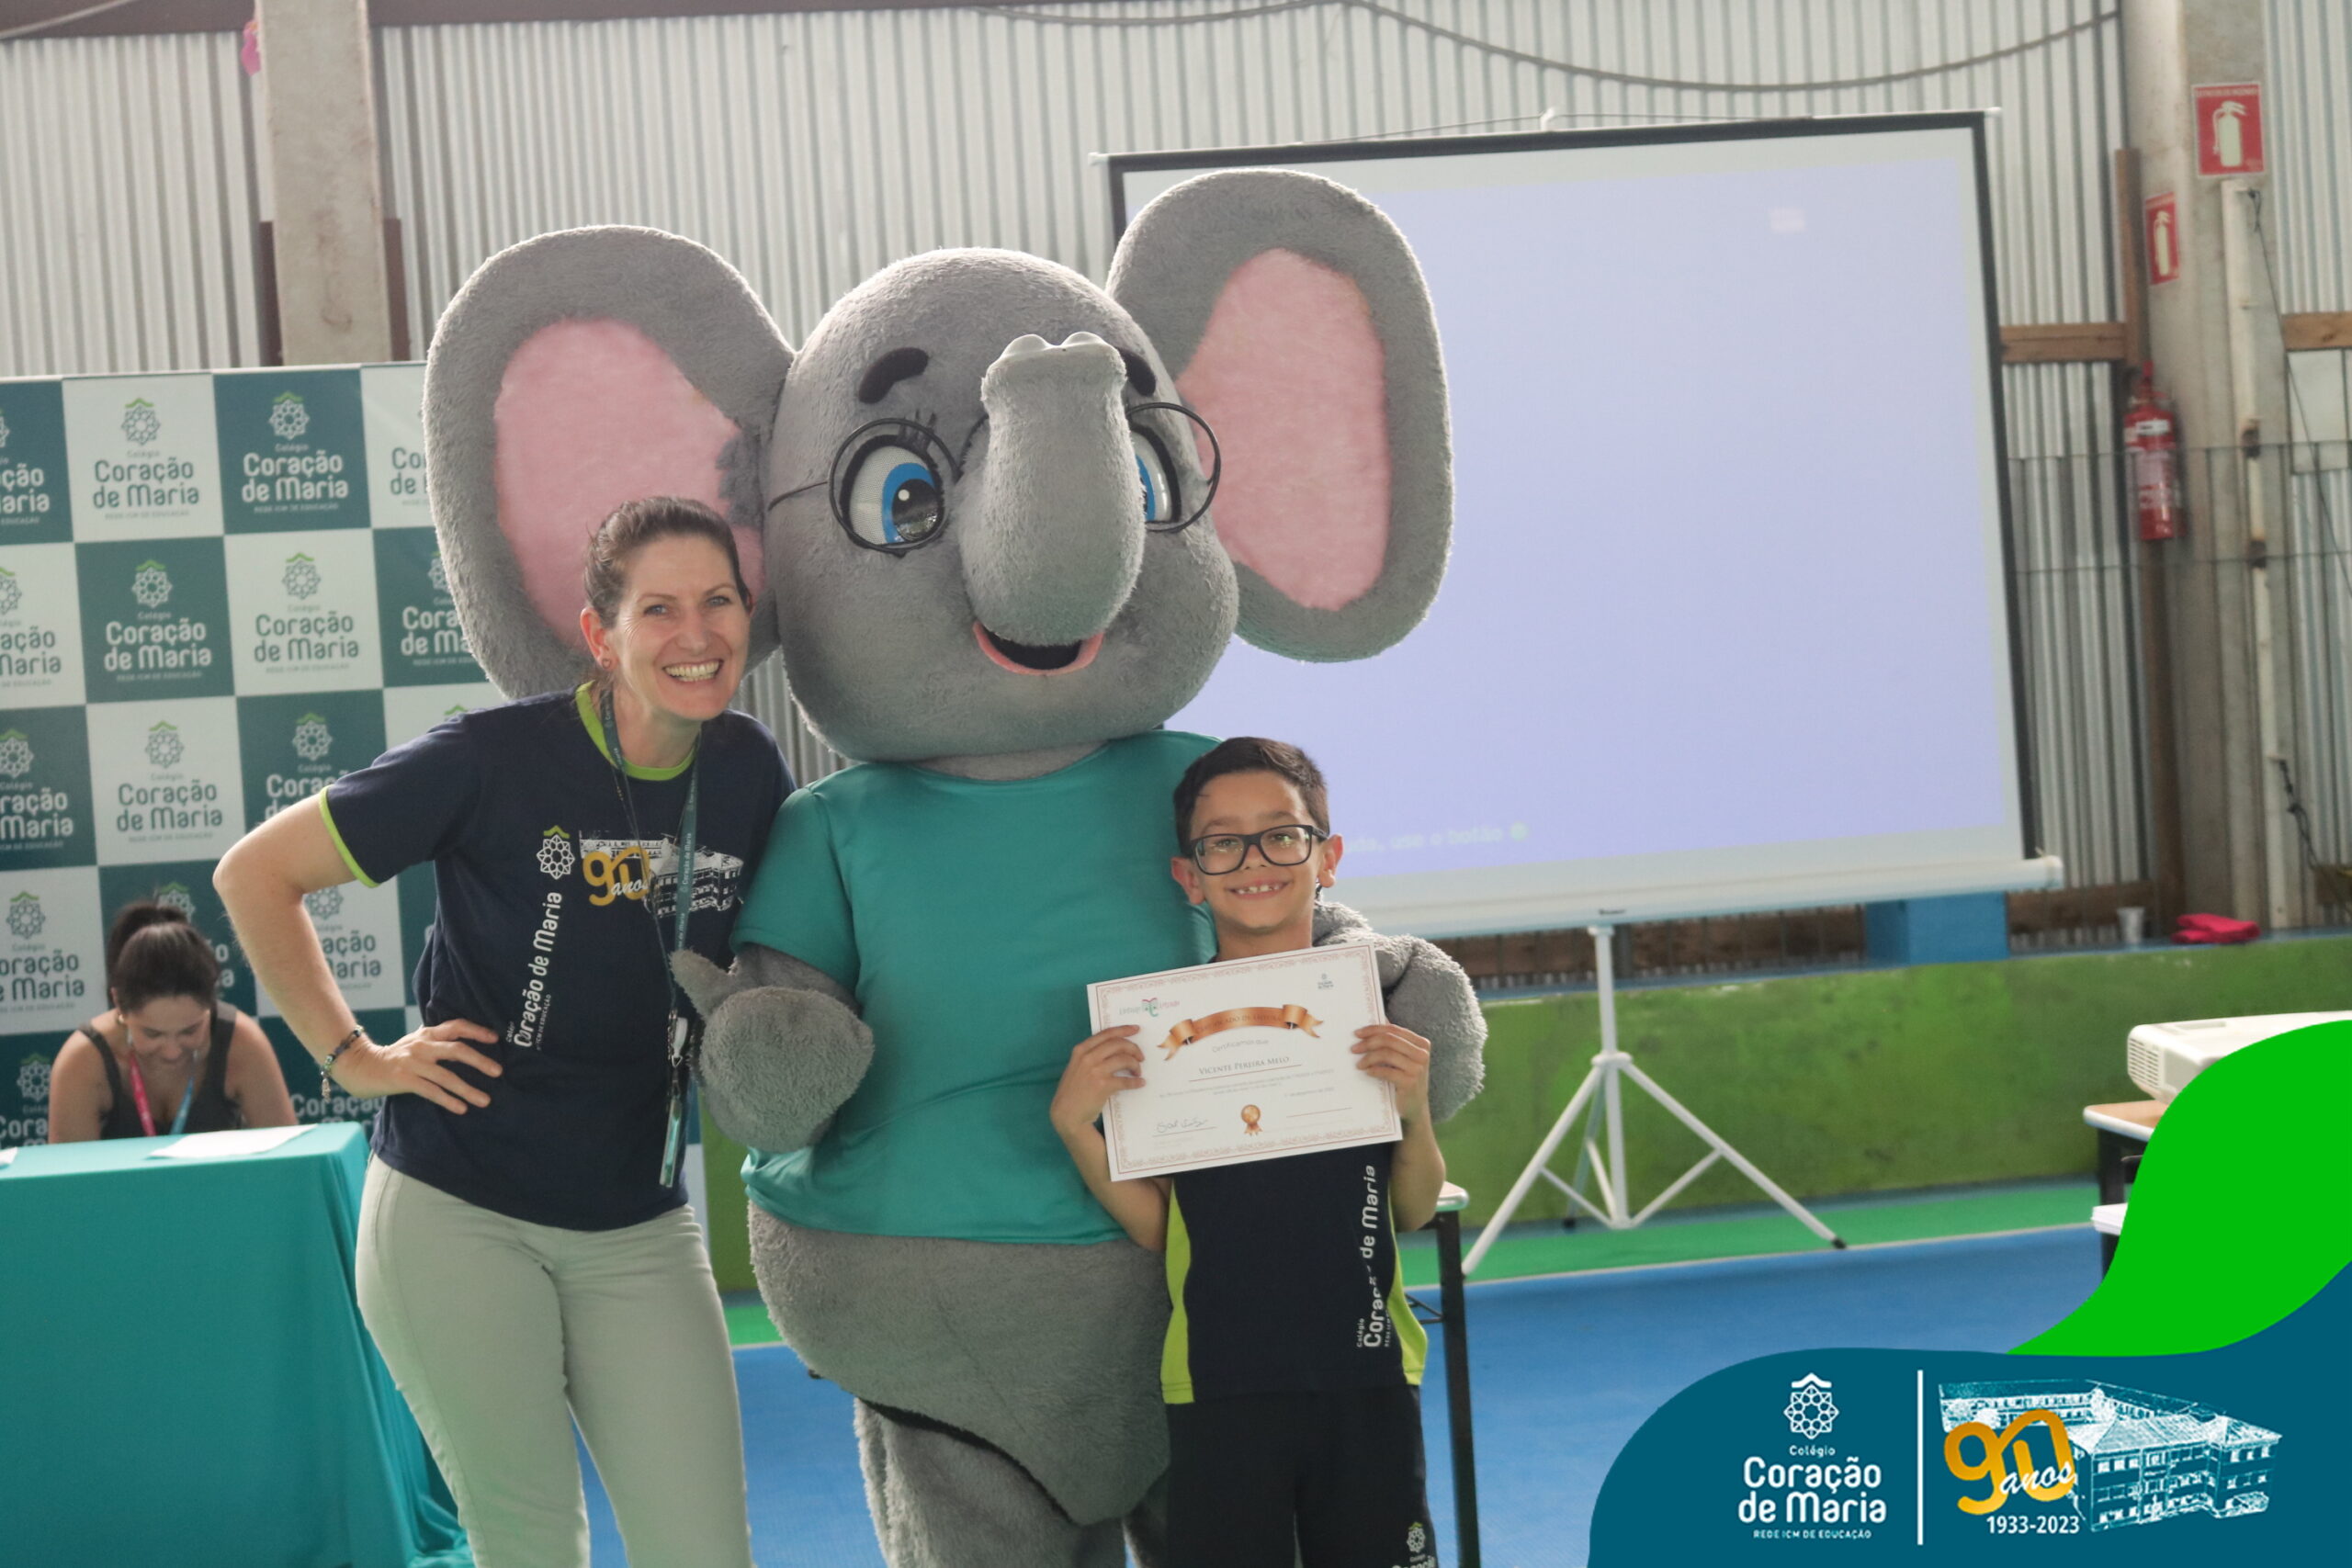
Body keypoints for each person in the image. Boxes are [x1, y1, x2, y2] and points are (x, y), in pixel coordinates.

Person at [215, 496, 787, 1568]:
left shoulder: (749, 771)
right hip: (459, 1212)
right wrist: (355, 1059)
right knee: (530, 1546)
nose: (696, 634)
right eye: (659, 609)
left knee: (705, 1550)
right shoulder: (492, 758)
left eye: (718, 601)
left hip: (636, 1218)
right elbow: (256, 874)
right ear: (599, 635)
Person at [1050, 737, 1453, 1568]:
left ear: (1327, 856)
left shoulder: (1371, 1021)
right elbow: (1160, 1227)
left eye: (1281, 834)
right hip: (1218, 1380)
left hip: (1368, 1370)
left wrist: (1413, 1113)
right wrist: (1075, 1127)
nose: (1254, 859)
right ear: (1189, 875)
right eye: (1222, 842)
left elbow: (1412, 1208)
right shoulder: (1158, 1034)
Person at [47, 901, 297, 1143]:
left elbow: (289, 1158)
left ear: (211, 1003)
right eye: (152, 1034)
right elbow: (68, 1170)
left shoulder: (241, 1042)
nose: (172, 1051)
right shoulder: (84, 1060)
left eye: (190, 1031)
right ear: (119, 1004)